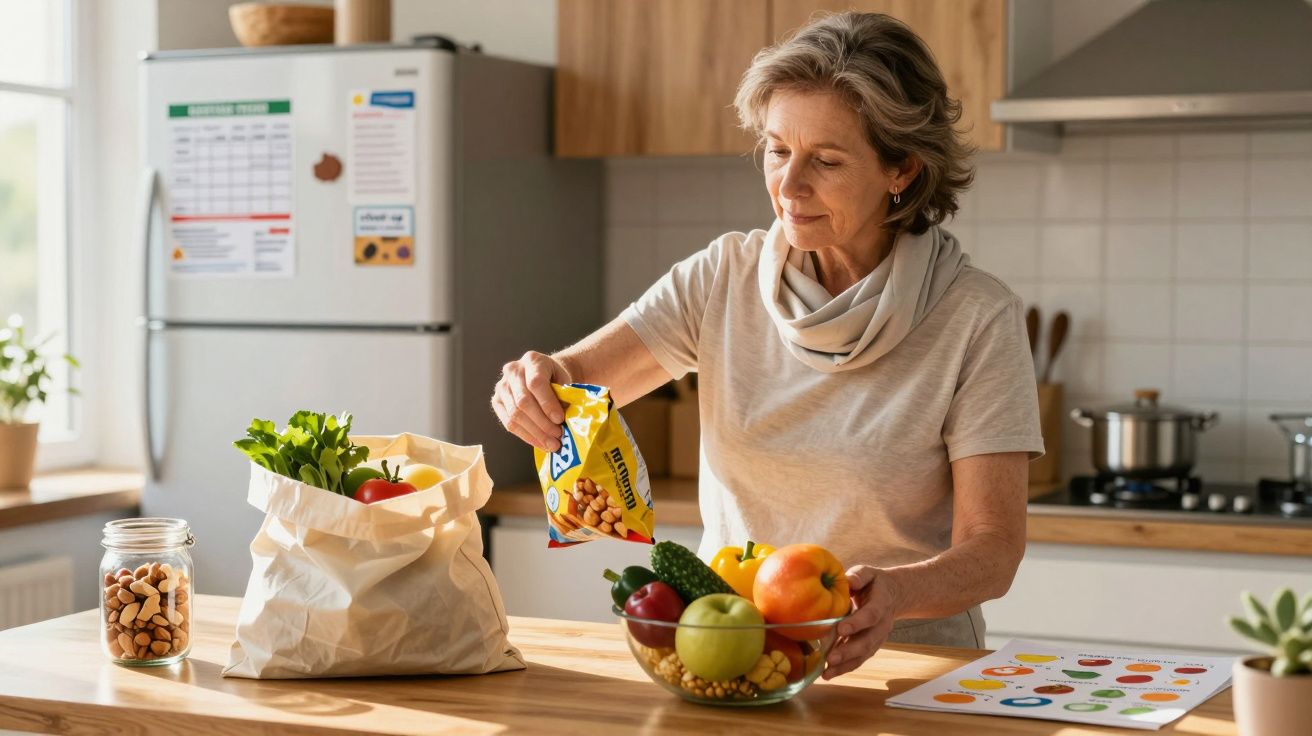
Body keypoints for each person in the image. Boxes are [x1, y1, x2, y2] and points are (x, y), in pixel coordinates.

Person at [491, 11, 1042, 679]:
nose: (789, 185)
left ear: (902, 170)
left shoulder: (977, 318)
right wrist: (534, 383)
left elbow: (994, 550)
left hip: (908, 666)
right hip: (737, 658)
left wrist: (897, 593)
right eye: (778, 150)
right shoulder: (721, 277)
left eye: (826, 160)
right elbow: (577, 380)